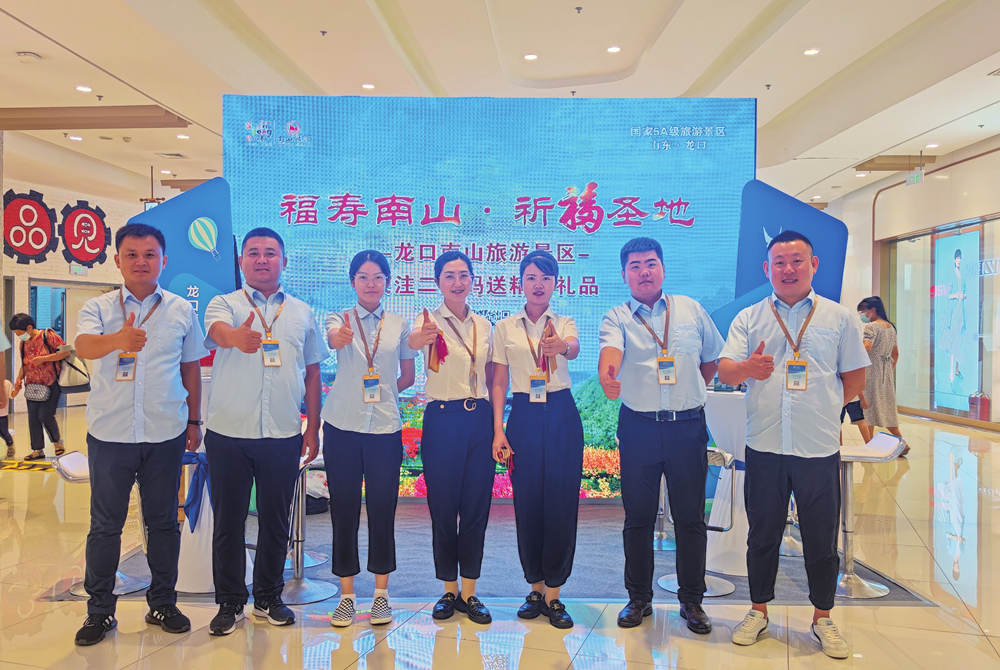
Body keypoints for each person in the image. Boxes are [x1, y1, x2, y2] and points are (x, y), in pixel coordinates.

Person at [718, 230, 868, 660]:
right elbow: (726, 371)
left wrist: (825, 410)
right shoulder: (750, 318)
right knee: (762, 535)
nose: (788, 269)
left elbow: (855, 377)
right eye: (779, 262)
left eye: (796, 260)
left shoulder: (839, 318)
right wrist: (748, 368)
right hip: (765, 444)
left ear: (813, 265)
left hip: (817, 447)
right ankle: (758, 611)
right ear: (767, 269)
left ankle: (823, 617)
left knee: (821, 538)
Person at [73, 223, 208, 646]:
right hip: (110, 433)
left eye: (150, 254)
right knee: (105, 526)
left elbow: (190, 367)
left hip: (164, 431)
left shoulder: (181, 310)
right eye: (131, 254)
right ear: (117, 260)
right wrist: (118, 339)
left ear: (164, 260)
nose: (141, 262)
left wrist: (194, 421)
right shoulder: (98, 307)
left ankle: (163, 603)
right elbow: (83, 346)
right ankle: (99, 612)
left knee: (163, 523)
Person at [203, 227, 328, 636]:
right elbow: (217, 333)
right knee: (229, 522)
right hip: (229, 432)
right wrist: (235, 338)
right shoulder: (225, 303)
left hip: (283, 431)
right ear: (241, 261)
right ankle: (229, 602)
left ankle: (269, 598)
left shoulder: (301, 312)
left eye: (270, 252)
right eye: (253, 252)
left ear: (283, 261)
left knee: (276, 520)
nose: (261, 259)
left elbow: (312, 372)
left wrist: (312, 427)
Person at [598, 237, 724, 632]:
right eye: (634, 266)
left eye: (650, 263)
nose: (643, 272)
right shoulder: (617, 317)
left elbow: (711, 359)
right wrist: (607, 377)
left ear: (663, 268)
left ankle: (692, 601)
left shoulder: (690, 309)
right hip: (639, 428)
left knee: (690, 518)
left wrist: (689, 392)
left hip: (687, 426)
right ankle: (639, 598)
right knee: (638, 517)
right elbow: (610, 354)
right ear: (624, 275)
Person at [490, 250, 583, 629]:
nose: (538, 284)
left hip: (561, 413)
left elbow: (573, 347)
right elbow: (498, 381)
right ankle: (534, 588)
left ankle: (554, 595)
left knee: (560, 503)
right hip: (523, 415)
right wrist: (499, 429)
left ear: (556, 283)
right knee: (527, 503)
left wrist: (562, 347)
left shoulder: (564, 323)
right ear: (521, 283)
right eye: (531, 277)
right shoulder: (505, 327)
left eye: (545, 277)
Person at [324, 250, 416, 627]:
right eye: (363, 277)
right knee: (344, 511)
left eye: (378, 277)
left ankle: (381, 595)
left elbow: (408, 375)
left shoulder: (399, 324)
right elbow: (333, 340)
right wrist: (340, 337)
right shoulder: (338, 319)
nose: (371, 283)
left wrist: (382, 396)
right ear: (352, 282)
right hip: (342, 428)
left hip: (384, 430)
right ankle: (346, 596)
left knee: (382, 510)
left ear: (388, 282)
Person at [408, 250, 495, 625]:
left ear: (473, 279)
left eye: (463, 275)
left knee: (476, 508)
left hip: (480, 419)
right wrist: (421, 337)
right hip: (442, 419)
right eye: (449, 276)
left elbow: (492, 375)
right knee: (443, 508)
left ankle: (470, 592)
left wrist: (498, 427)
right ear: (438, 282)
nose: (457, 282)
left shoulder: (484, 325)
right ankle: (448, 589)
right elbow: (413, 343)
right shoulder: (427, 320)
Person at [10, 313, 71, 461]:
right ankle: (37, 450)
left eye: (20, 333)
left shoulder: (48, 335)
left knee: (45, 415)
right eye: (16, 334)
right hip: (32, 385)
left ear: (29, 328)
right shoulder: (23, 344)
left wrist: (44, 359)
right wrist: (19, 379)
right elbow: (25, 364)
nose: (19, 336)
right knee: (33, 418)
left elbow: (65, 352)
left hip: (51, 382)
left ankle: (57, 441)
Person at [857, 296, 905, 454]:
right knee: (886, 408)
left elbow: (867, 347)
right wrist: (888, 369)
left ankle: (872, 444)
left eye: (863, 311)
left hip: (871, 371)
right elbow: (895, 353)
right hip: (885, 373)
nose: (862, 315)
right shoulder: (890, 327)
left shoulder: (872, 327)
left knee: (868, 409)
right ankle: (898, 443)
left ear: (872, 310)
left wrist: (854, 360)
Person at [938, 248, 967, 386]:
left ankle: (956, 370)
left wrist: (963, 295)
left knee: (959, 341)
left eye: (960, 258)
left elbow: (966, 292)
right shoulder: (951, 276)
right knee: (954, 342)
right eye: (957, 258)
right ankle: (951, 375)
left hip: (961, 312)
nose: (959, 260)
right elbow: (948, 295)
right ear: (954, 260)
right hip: (954, 313)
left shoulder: (963, 276)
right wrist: (956, 295)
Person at [2, 379, 16, 459]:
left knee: (4, 431)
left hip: (2, 413)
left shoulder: (6, 383)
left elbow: (12, 395)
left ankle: (10, 444)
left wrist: (17, 389)